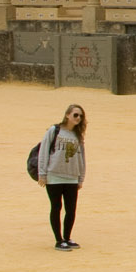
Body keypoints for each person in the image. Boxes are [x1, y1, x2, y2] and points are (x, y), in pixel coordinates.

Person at [36, 103, 89, 250]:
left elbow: (82, 157)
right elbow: (44, 151)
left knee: (71, 209)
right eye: (75, 115)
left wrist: (81, 177)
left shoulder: (78, 135)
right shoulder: (55, 130)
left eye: (81, 116)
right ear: (67, 115)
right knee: (56, 207)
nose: (78, 118)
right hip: (54, 176)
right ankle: (59, 240)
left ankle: (67, 237)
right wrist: (42, 173)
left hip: (72, 176)